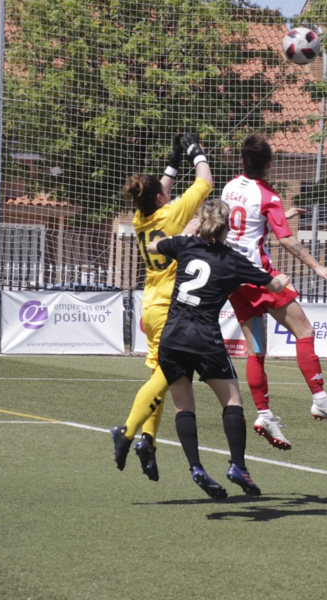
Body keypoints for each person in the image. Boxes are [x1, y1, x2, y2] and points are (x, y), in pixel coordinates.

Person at [146, 200, 291, 499]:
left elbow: (153, 247)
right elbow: (274, 286)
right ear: (227, 228)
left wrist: (187, 232)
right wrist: (283, 279)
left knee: (183, 407)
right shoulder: (232, 259)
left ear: (201, 222)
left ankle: (196, 468)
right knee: (232, 400)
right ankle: (238, 466)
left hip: (172, 338)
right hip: (204, 339)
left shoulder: (185, 245)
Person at [220, 134, 327, 451]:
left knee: (255, 350)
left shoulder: (229, 187)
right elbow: (286, 240)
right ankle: (321, 399)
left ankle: (264, 414)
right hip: (259, 278)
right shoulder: (269, 196)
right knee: (305, 330)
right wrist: (317, 265)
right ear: (269, 164)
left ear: (242, 162)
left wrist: (280, 213)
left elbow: (244, 222)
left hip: (233, 280)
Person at [111, 133, 211, 482]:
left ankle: (148, 441)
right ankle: (127, 432)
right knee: (167, 376)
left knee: (164, 374)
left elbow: (157, 191)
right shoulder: (172, 214)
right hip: (171, 308)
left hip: (150, 305)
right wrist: (196, 152)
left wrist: (173, 161)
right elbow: (206, 181)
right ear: (159, 197)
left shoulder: (141, 217)